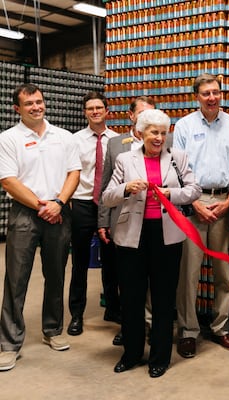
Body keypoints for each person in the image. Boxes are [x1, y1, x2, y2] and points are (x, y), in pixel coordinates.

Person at [102, 109, 200, 378]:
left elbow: (194, 190)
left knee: (163, 297)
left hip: (167, 236)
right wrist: (126, 188)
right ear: (141, 133)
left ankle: (160, 357)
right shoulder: (124, 159)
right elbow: (107, 196)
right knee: (132, 297)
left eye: (163, 132)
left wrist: (171, 193)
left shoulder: (178, 158)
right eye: (153, 132)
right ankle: (132, 354)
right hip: (132, 235)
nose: (158, 138)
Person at [0, 83, 81, 371]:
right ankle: (9, 344)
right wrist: (42, 206)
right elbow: (8, 180)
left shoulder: (63, 137)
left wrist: (58, 202)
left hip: (59, 210)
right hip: (25, 213)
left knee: (56, 274)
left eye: (39, 101)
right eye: (29, 103)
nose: (36, 107)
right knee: (16, 279)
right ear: (17, 109)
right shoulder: (8, 138)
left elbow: (74, 172)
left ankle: (52, 330)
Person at [174, 73, 229, 357]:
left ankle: (221, 328)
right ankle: (189, 331)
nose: (212, 97)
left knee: (223, 273)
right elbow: (176, 170)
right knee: (188, 274)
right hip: (194, 202)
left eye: (216, 92)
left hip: (225, 201)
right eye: (206, 93)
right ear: (197, 96)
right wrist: (193, 204)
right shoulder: (184, 126)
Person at [98, 96, 156, 346]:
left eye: (152, 115)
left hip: (155, 219)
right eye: (142, 114)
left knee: (154, 278)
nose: (147, 119)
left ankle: (152, 324)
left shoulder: (164, 140)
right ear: (131, 116)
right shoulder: (115, 144)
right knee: (129, 278)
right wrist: (103, 221)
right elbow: (106, 184)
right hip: (123, 219)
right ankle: (131, 325)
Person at [67, 91, 119, 337]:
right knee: (79, 261)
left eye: (99, 107)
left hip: (108, 205)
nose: (95, 111)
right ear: (85, 112)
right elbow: (66, 172)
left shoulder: (118, 140)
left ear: (107, 110)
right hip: (82, 203)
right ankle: (76, 314)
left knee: (111, 260)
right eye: (90, 108)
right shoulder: (74, 140)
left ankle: (112, 307)